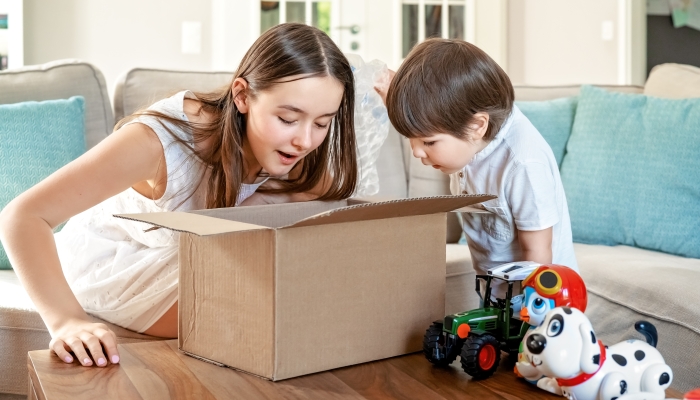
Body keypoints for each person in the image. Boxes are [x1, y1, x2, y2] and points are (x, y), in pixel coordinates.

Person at [0, 23, 359, 368]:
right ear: (242, 96)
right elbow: (22, 216)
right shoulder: (159, 141)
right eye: (288, 118)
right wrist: (67, 322)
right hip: (117, 258)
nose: (306, 141)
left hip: (187, 252)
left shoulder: (293, 152)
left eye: (322, 123)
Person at [375, 38, 578, 296]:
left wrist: (530, 314)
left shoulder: (523, 164)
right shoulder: (469, 130)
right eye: (410, 139)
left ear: (477, 126)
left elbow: (538, 254)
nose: (416, 151)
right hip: (495, 292)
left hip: (540, 302)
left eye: (428, 141)